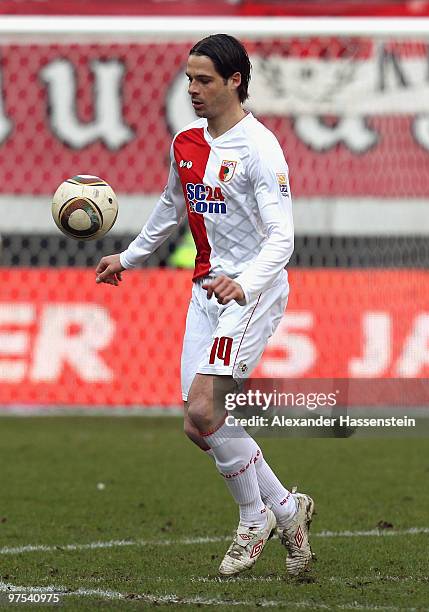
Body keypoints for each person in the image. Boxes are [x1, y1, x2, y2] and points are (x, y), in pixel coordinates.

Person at [95, 33, 315, 577]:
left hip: (251, 295)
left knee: (204, 409)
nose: (192, 89)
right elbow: (171, 209)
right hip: (205, 294)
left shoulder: (261, 149)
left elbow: (282, 239)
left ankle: (253, 518)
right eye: (188, 78)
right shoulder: (186, 143)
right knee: (199, 426)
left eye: (204, 80)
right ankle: (288, 508)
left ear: (234, 82)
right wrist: (130, 256)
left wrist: (246, 283)